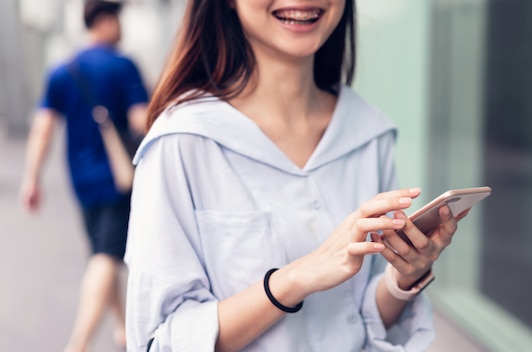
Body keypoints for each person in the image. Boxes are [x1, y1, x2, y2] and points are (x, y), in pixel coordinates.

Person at [125, 0, 468, 351]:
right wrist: (294, 279)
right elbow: (159, 340)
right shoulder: (182, 141)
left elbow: (363, 321)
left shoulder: (368, 133)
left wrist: (404, 276)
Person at [19, 1, 149, 351]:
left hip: (81, 179)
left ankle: (122, 327)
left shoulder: (63, 70)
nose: (122, 28)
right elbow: (141, 121)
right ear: (105, 21)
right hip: (118, 178)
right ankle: (78, 344)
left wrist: (32, 178)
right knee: (106, 257)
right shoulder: (123, 66)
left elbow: (43, 128)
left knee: (100, 252)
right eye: (119, 20)